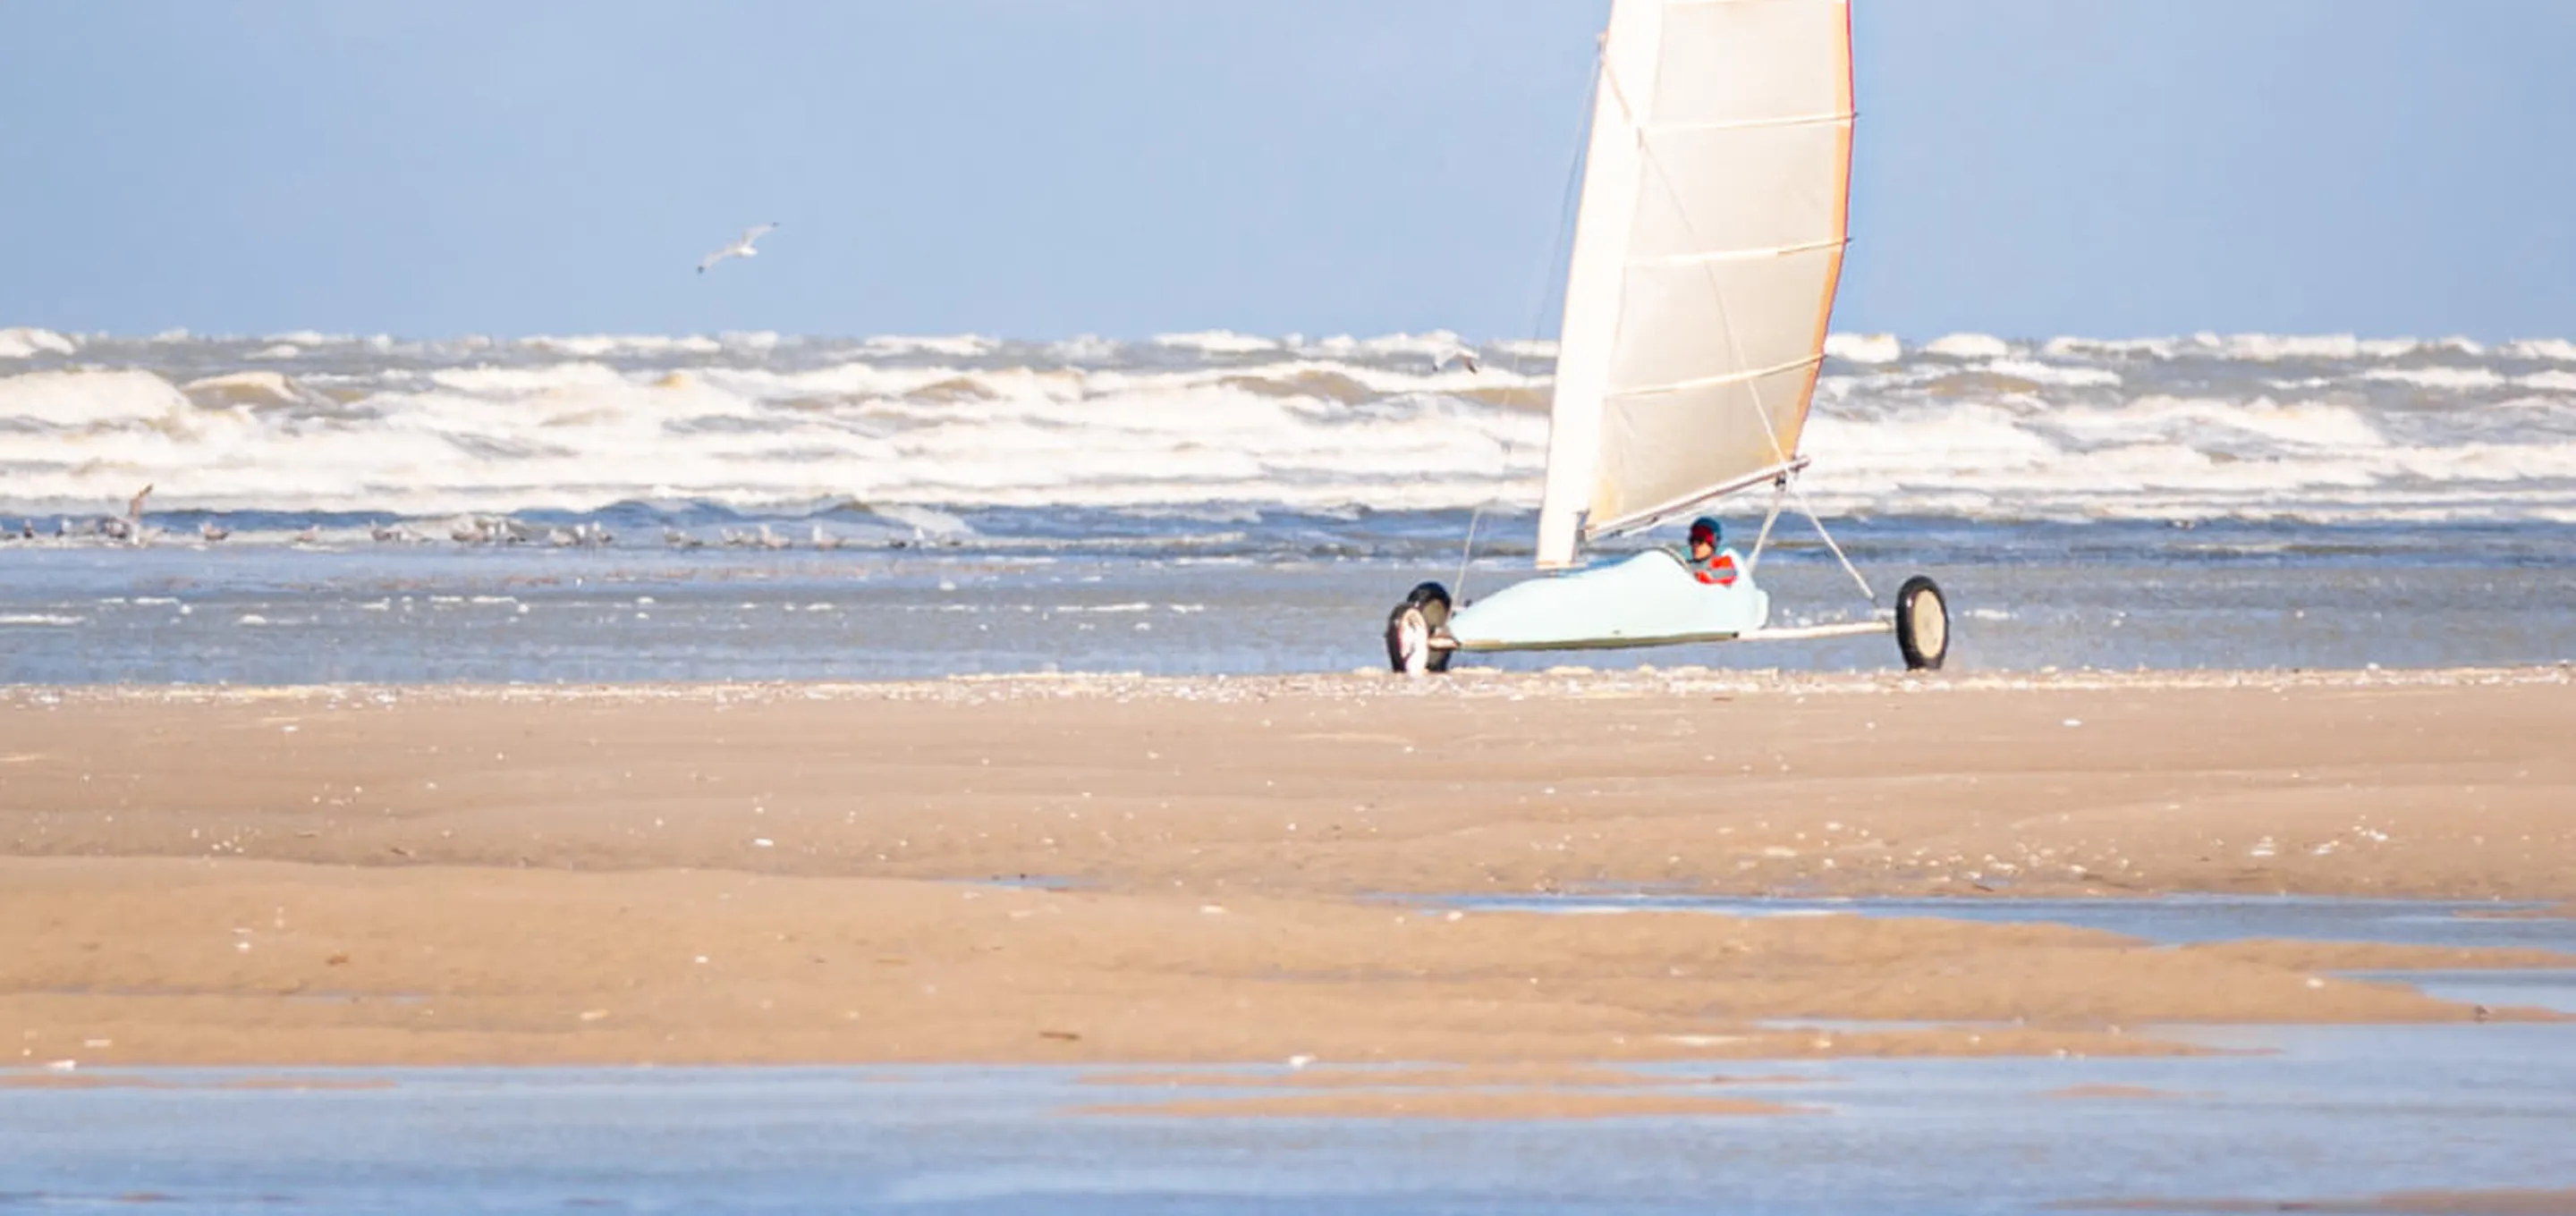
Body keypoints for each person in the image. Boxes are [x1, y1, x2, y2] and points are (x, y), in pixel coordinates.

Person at [1685, 517, 1738, 587]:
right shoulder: (1685, 564)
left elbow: (1730, 573)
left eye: (1701, 538)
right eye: (1693, 539)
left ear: (1713, 543)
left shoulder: (1723, 563)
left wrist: (1699, 575)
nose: (1695, 544)